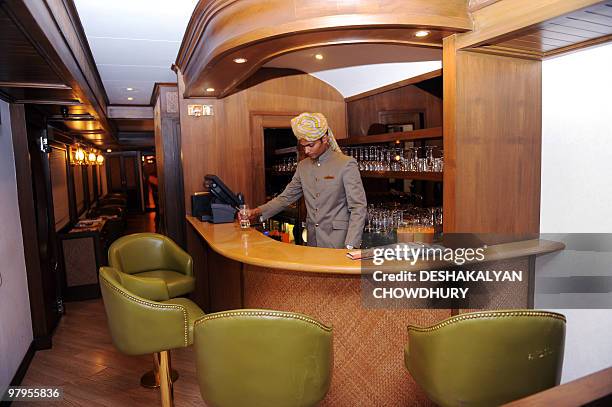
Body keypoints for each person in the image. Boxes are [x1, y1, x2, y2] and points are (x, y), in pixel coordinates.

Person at [248, 112, 367, 249]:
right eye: (303, 146)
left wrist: (351, 244)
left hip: (340, 241)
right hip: (312, 240)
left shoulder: (346, 164)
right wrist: (256, 211)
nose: (306, 150)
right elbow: (285, 198)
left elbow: (358, 206)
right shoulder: (303, 166)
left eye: (310, 145)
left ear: (325, 139)